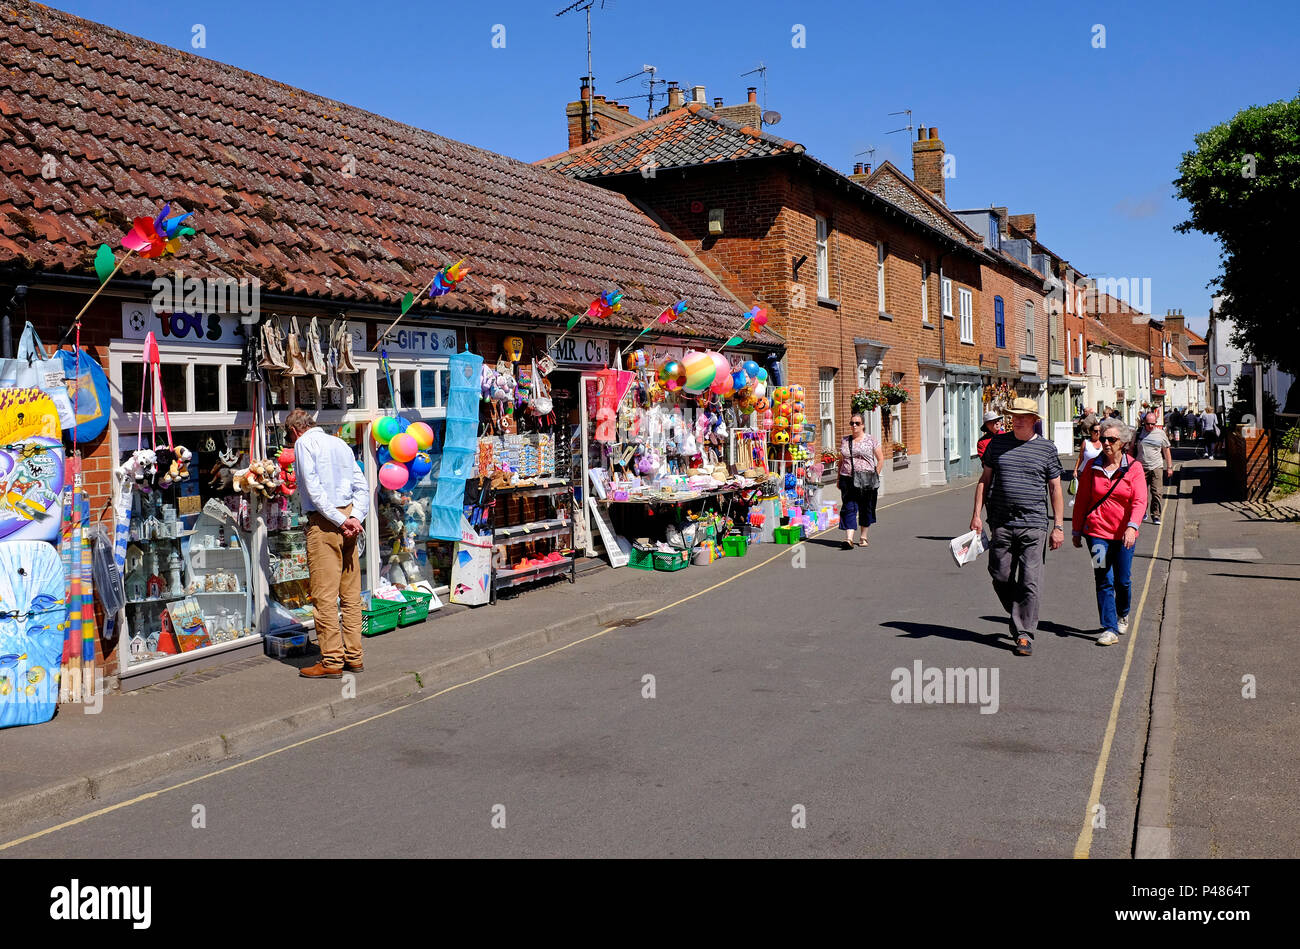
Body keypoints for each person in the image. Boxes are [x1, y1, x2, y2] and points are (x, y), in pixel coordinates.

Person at [970, 397, 1065, 657]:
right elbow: (984, 480)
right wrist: (976, 515)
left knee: (1030, 581)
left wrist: (1058, 526)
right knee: (999, 575)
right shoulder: (997, 444)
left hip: (1034, 524)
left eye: (1024, 416)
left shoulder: (1046, 449)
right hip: (1000, 522)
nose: (1018, 419)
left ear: (1035, 420)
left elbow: (1055, 488)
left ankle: (1024, 634)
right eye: (1014, 415)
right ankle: (1019, 613)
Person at [284, 409, 370, 679]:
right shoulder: (339, 443)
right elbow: (361, 485)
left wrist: (337, 520)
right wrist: (355, 517)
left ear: (295, 431)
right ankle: (354, 657)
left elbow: (312, 489)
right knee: (350, 594)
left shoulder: (303, 443)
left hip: (325, 522)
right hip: (348, 518)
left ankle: (332, 660)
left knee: (324, 596)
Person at [1072, 418, 1147, 646]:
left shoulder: (1134, 468)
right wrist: (1076, 530)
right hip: (1096, 532)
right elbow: (1082, 500)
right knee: (1103, 578)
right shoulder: (1092, 467)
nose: (1105, 443)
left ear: (1122, 442)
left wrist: (1133, 527)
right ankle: (1109, 628)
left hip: (1124, 534)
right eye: (1103, 438)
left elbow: (1139, 500)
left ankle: (1123, 611)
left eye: (1111, 439)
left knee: (1122, 581)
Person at [837, 412, 884, 549]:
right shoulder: (845, 440)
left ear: (863, 425)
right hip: (848, 478)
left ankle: (863, 536)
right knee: (848, 507)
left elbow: (880, 459)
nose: (854, 426)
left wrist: (875, 475)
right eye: (852, 423)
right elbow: (841, 460)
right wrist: (838, 478)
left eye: (857, 423)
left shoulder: (871, 440)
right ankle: (849, 539)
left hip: (866, 479)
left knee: (865, 507)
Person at [1134, 411, 1173, 524]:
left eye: (1153, 424)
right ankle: (1142, 512)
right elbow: (1131, 449)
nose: (1150, 426)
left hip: (1156, 467)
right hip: (1140, 468)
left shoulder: (1160, 434)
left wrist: (1169, 467)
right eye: (1148, 424)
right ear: (1144, 423)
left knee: (1157, 493)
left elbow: (1166, 450)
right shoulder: (1138, 433)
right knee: (1141, 493)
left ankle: (1155, 515)